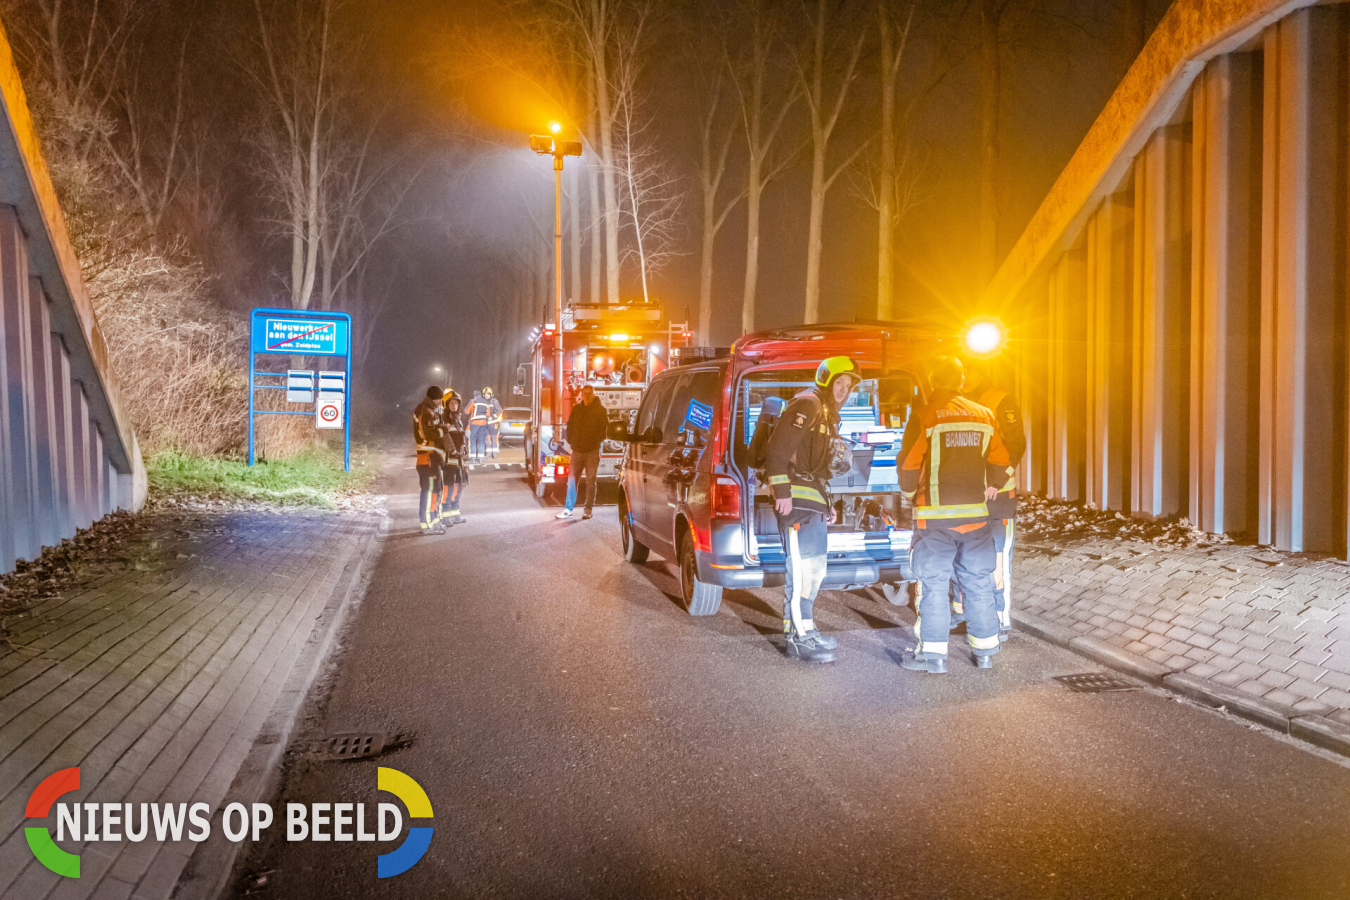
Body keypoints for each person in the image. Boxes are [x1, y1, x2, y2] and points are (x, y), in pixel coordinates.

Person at [898, 356, 1014, 673]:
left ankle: (933, 656)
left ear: (933, 380)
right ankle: (985, 652)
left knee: (934, 585)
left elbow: (909, 464)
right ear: (961, 381)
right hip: (976, 518)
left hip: (935, 519)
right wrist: (993, 484)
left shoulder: (925, 415)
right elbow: (1002, 459)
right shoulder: (985, 415)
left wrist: (909, 495)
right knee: (978, 582)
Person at [762, 355, 861, 664]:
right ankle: (798, 638)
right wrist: (782, 491)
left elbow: (816, 467)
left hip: (811, 500)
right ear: (826, 380)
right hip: (795, 501)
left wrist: (826, 505)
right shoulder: (809, 404)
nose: (843, 390)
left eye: (848, 385)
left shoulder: (825, 412)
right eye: (839, 383)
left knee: (814, 570)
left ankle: (806, 629)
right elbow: (777, 449)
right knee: (802, 570)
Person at [962, 358, 1026, 639]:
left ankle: (999, 618)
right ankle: (969, 613)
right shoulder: (958, 401)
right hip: (968, 493)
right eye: (962, 372)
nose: (965, 377)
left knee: (998, 556)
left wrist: (996, 481)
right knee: (968, 554)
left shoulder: (1001, 400)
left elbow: (1016, 445)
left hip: (997, 496)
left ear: (981, 371)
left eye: (970, 371)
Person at [556, 384, 609, 520]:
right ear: (582, 395)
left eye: (589, 393)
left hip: (592, 451)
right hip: (577, 451)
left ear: (593, 394)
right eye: (585, 393)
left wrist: (594, 442)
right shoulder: (577, 409)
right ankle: (568, 509)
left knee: (591, 481)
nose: (587, 396)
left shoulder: (601, 410)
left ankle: (588, 509)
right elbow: (570, 425)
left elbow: (604, 429)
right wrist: (571, 441)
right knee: (572, 480)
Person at [412, 385, 446, 534]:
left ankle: (433, 520)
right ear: (434, 399)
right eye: (439, 399)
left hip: (432, 456)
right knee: (428, 490)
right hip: (427, 457)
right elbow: (429, 435)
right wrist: (444, 429)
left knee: (434, 490)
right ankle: (427, 524)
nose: (440, 403)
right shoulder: (425, 411)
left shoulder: (431, 410)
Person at [441, 389, 469, 525]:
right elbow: (445, 437)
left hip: (459, 460)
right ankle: (446, 516)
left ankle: (455, 514)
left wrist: (464, 446)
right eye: (451, 403)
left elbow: (462, 436)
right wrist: (452, 450)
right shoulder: (443, 420)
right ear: (446, 405)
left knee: (459, 487)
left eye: (456, 403)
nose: (454, 406)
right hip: (449, 460)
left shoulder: (459, 420)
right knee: (449, 488)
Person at [468, 389, 492, 462]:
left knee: (473, 439)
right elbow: (488, 414)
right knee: (481, 440)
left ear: (475, 396)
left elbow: (466, 411)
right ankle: (480, 458)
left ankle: (473, 458)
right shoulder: (486, 402)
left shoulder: (473, 401)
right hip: (484, 423)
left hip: (475, 423)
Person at [484, 387, 504, 459]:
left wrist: (493, 416)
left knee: (494, 438)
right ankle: (489, 454)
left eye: (488, 394)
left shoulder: (494, 401)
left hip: (494, 423)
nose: (486, 395)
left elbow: (500, 411)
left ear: (491, 394)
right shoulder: (483, 402)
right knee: (487, 439)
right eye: (485, 394)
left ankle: (494, 454)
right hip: (486, 423)